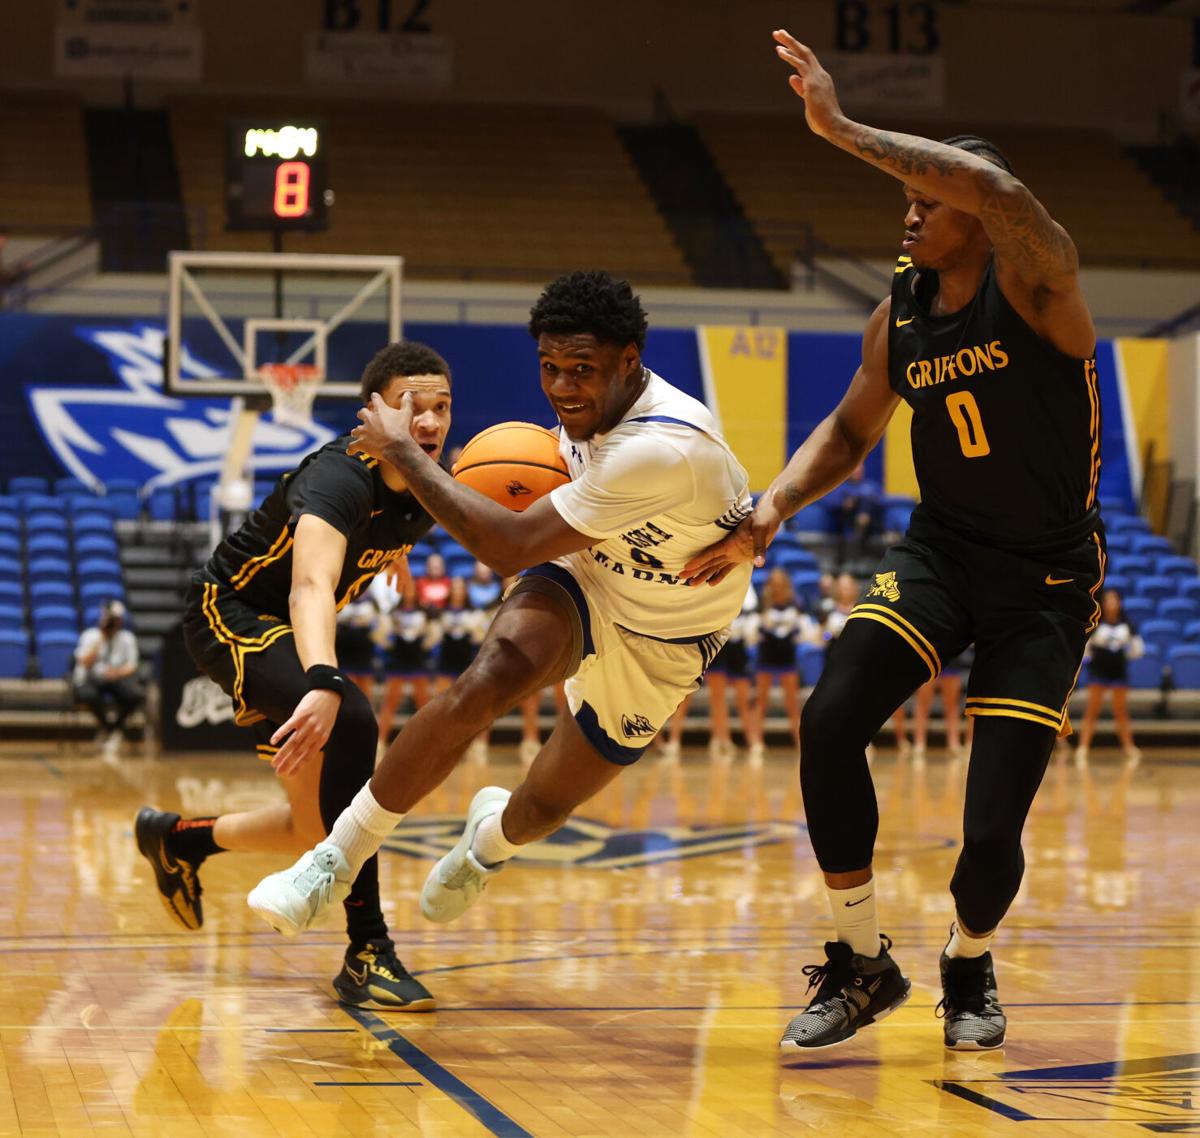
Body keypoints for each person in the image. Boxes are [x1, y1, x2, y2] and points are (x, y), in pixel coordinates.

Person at [683, 30, 1105, 1053]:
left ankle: (968, 959)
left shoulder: (1040, 280)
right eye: (905, 201)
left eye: (928, 202)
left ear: (983, 213)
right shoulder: (900, 314)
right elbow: (848, 428)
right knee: (829, 718)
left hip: (1046, 579)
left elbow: (996, 188)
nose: (908, 212)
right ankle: (863, 958)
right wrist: (771, 507)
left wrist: (839, 126)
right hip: (942, 554)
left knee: (991, 826)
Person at [246, 270, 753, 950]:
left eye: (582, 369)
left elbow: (506, 543)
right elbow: (517, 520)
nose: (564, 387)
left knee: (544, 806)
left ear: (630, 363)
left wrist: (402, 451)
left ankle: (487, 844)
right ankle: (332, 862)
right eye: (550, 368)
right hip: (588, 571)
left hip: (667, 631)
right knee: (495, 670)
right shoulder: (584, 420)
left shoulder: (662, 447)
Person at [134, 340, 454, 1012]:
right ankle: (367, 950)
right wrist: (323, 681)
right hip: (232, 612)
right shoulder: (339, 477)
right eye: (410, 407)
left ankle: (178, 840)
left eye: (442, 407)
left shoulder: (425, 482)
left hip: (285, 632)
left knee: (316, 830)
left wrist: (393, 555)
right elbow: (310, 585)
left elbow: (388, 531)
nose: (427, 422)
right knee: (356, 722)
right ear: (374, 414)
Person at [1075, 588, 1143, 765]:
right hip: (1099, 672)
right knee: (1092, 710)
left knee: (1120, 711)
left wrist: (1122, 656)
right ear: (1103, 603)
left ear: (1120, 603)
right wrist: (1091, 661)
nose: (1111, 603)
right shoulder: (1096, 623)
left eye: (1115, 600)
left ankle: (1128, 747)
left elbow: (1137, 650)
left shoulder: (1128, 625)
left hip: (1118, 672)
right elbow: (1085, 649)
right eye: (1108, 600)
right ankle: (1083, 748)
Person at [755, 568, 819, 752]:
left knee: (792, 702)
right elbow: (756, 630)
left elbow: (803, 630)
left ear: (786, 584)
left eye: (780, 582)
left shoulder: (796, 603)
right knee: (761, 700)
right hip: (766, 655)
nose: (777, 586)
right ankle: (756, 742)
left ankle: (799, 743)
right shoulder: (762, 604)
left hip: (787, 656)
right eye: (773, 583)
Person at [73, 599, 143, 757]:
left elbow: (132, 666)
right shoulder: (90, 635)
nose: (113, 623)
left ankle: (112, 729)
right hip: (92, 679)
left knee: (135, 695)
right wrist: (101, 638)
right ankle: (109, 728)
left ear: (121, 621)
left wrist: (115, 673)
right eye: (109, 618)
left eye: (116, 619)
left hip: (116, 679)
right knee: (87, 695)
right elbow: (84, 662)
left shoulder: (127, 638)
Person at [376, 582, 435, 744]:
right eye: (406, 589)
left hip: (417, 660)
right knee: (390, 702)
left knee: (423, 703)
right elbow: (381, 635)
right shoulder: (393, 612)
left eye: (412, 589)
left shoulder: (425, 613)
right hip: (399, 661)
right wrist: (388, 642)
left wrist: (426, 643)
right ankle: (380, 741)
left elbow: (433, 634)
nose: (409, 593)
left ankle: (428, 741)